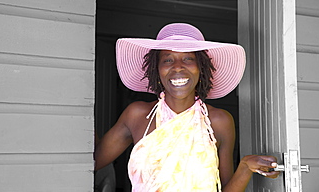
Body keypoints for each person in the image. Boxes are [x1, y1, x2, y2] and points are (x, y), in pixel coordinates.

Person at [95, 23, 280, 191]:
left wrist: (245, 167)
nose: (177, 67)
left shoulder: (219, 121)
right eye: (168, 60)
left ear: (201, 69)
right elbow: (91, 162)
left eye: (188, 59)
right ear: (157, 70)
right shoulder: (137, 115)